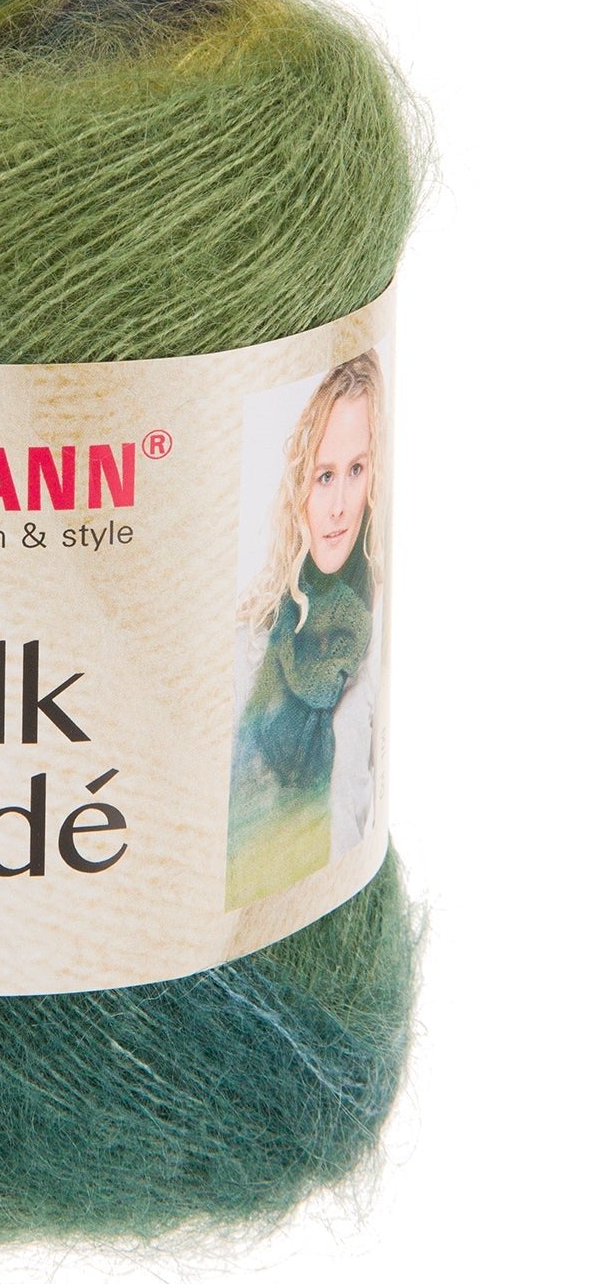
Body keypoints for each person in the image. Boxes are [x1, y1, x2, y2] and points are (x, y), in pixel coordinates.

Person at [226, 350, 385, 910]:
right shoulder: (255, 632)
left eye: (356, 471)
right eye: (324, 476)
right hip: (237, 920)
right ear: (300, 485)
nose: (339, 506)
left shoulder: (377, 635)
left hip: (324, 913)